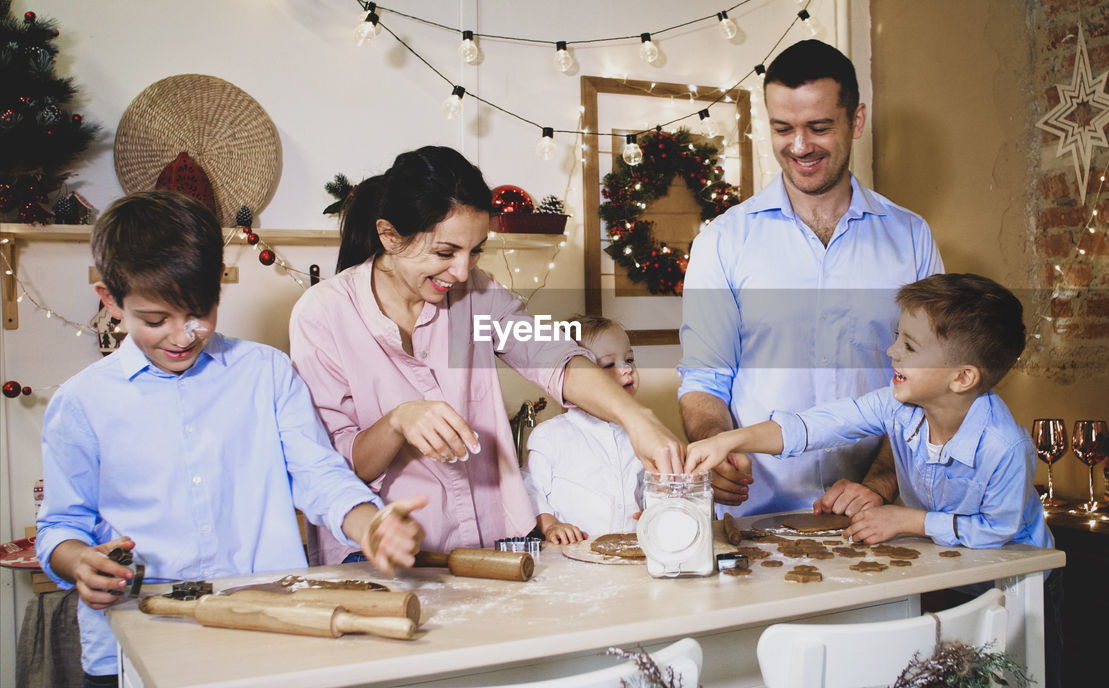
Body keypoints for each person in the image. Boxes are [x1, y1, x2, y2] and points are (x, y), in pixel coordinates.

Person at [35, 191, 425, 686]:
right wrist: (80, 563)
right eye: (156, 320)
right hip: (134, 641)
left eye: (200, 311)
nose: (182, 335)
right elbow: (60, 526)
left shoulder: (268, 373)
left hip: (269, 630)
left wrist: (370, 525)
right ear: (109, 299)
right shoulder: (80, 403)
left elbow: (317, 473)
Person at [289, 146, 683, 565]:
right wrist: (399, 421)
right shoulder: (323, 315)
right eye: (445, 252)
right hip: (379, 557)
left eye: (475, 250)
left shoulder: (477, 294)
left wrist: (638, 419)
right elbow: (332, 466)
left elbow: (552, 355)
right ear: (389, 236)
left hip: (489, 546)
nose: (461, 271)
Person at [678, 39, 944, 516]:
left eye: (819, 127)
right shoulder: (723, 241)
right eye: (783, 128)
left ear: (855, 121)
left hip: (877, 516)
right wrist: (714, 448)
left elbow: (932, 382)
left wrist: (882, 481)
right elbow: (705, 378)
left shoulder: (911, 238)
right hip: (754, 520)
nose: (799, 146)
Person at [684, 273, 1052, 550]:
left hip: (1022, 580)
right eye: (897, 337)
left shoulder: (1005, 446)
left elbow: (996, 529)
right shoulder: (896, 406)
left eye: (909, 346)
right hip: (954, 569)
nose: (892, 352)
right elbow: (812, 427)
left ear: (961, 377)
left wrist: (911, 520)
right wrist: (730, 439)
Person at [522, 315, 645, 544]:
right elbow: (531, 490)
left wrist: (654, 512)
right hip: (573, 554)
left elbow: (648, 486)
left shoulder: (640, 433)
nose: (626, 369)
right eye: (608, 364)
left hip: (631, 549)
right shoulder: (551, 436)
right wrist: (551, 526)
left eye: (629, 359)